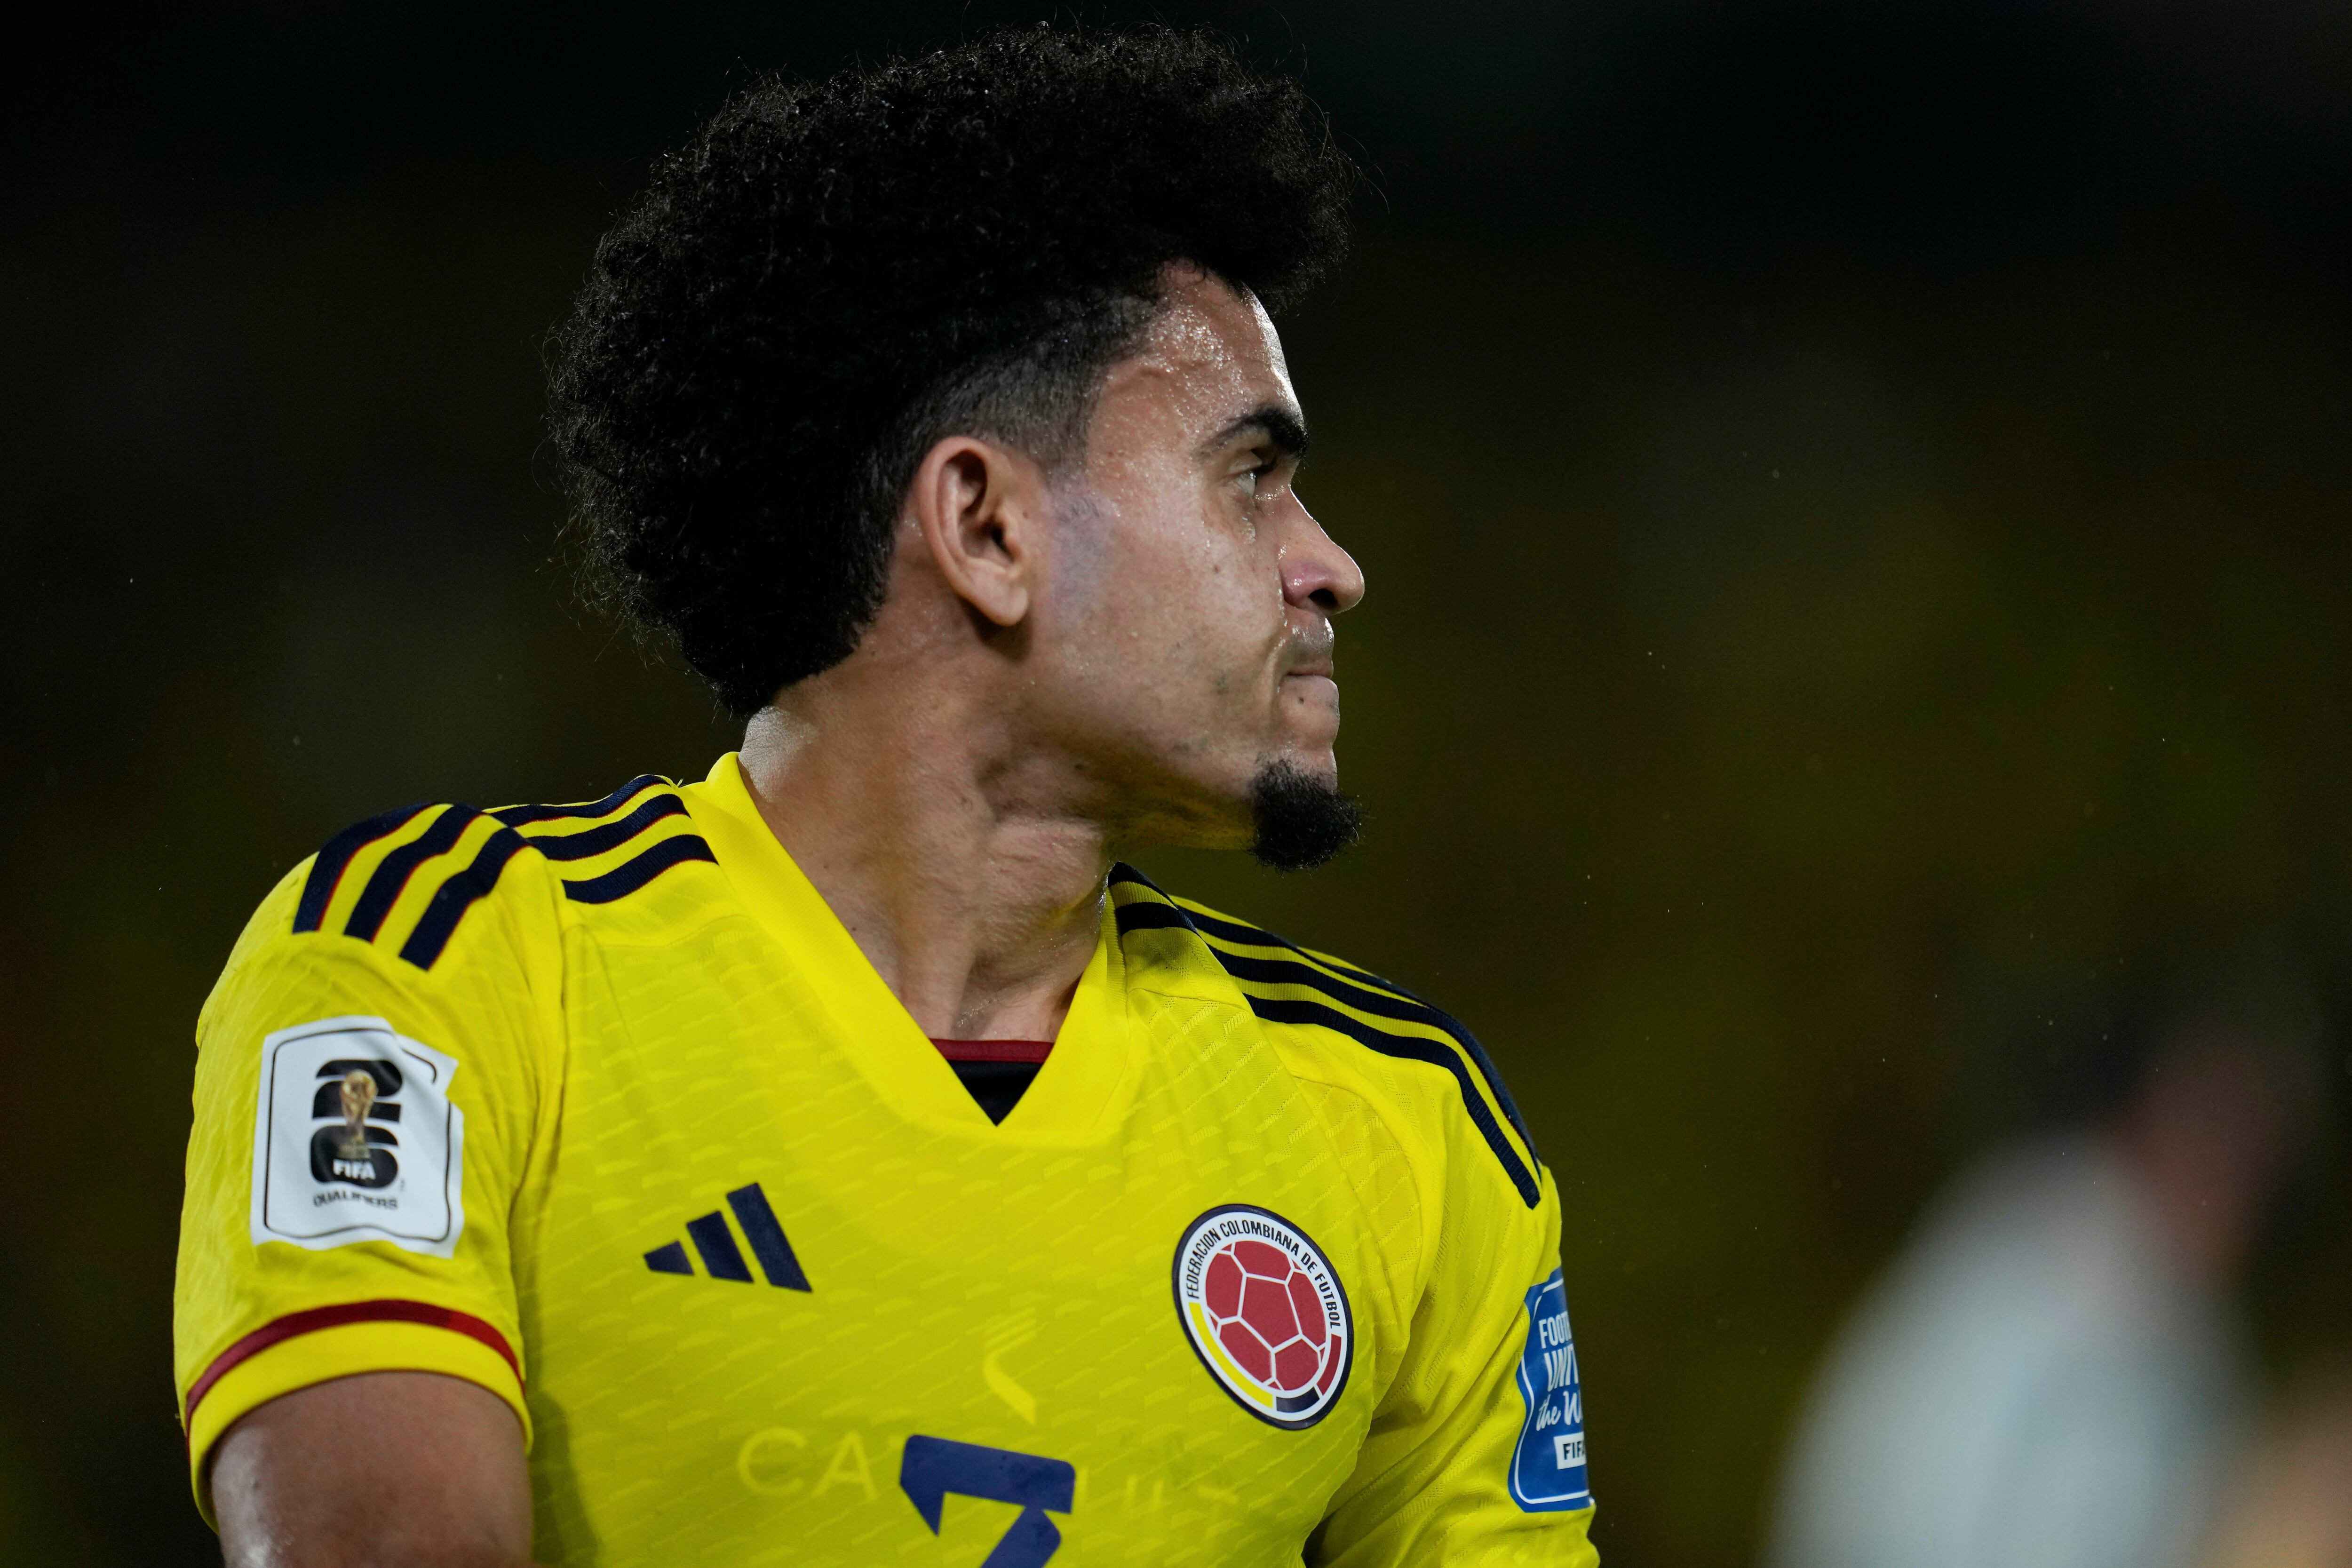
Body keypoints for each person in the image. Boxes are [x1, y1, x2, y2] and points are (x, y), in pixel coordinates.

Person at [172, 28, 1597, 1567]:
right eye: (1251, 473)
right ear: (986, 526)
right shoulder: (446, 974)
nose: (1331, 562)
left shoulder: (1405, 1123)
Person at [1764, 987, 2312, 1568]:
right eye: (2212, 1135)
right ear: (2147, 1121)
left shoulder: (2184, 1307)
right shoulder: (2056, 1257)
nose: (2234, 1184)